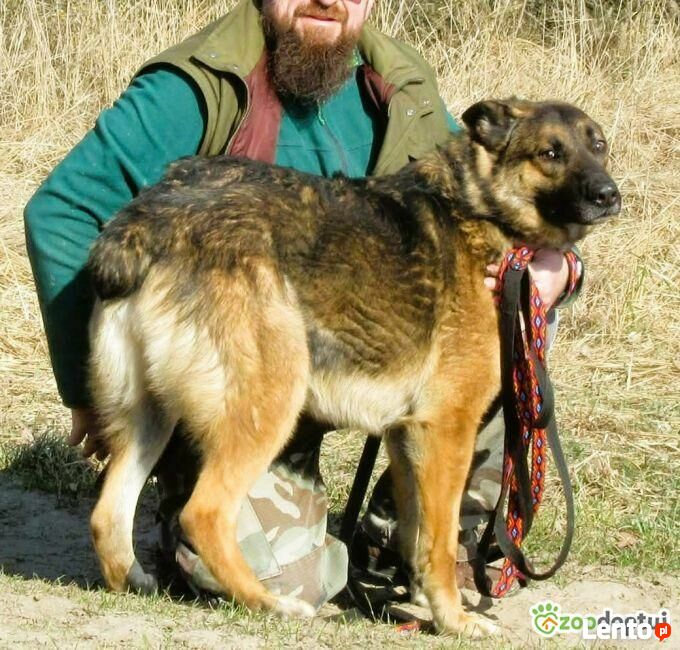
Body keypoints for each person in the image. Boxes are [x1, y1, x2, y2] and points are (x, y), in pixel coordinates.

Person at [24, 0, 581, 611]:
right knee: (289, 579)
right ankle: (210, 530)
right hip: (236, 341)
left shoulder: (397, 81)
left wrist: (559, 268)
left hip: (351, 344)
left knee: (502, 336)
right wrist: (87, 389)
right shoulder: (198, 83)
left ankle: (412, 549)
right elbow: (61, 210)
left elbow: (484, 201)